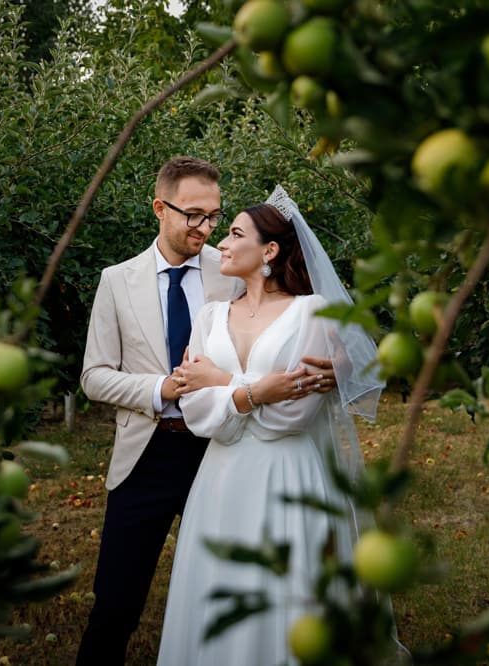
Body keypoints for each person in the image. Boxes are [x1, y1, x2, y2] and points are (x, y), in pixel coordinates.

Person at [77, 158, 336, 665]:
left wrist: (335, 369)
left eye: (215, 217)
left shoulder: (233, 267)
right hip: (145, 457)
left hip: (224, 450)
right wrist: (165, 388)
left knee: (227, 585)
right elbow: (94, 375)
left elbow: (288, 319)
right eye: (194, 215)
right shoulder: (116, 280)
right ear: (160, 208)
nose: (207, 229)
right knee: (115, 605)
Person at [156, 186, 386, 665]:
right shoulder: (210, 316)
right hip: (221, 480)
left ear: (269, 250)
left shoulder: (312, 310)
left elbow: (292, 414)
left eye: (235, 232)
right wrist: (254, 391)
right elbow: (196, 412)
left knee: (287, 601)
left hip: (288, 477)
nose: (221, 241)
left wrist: (222, 384)